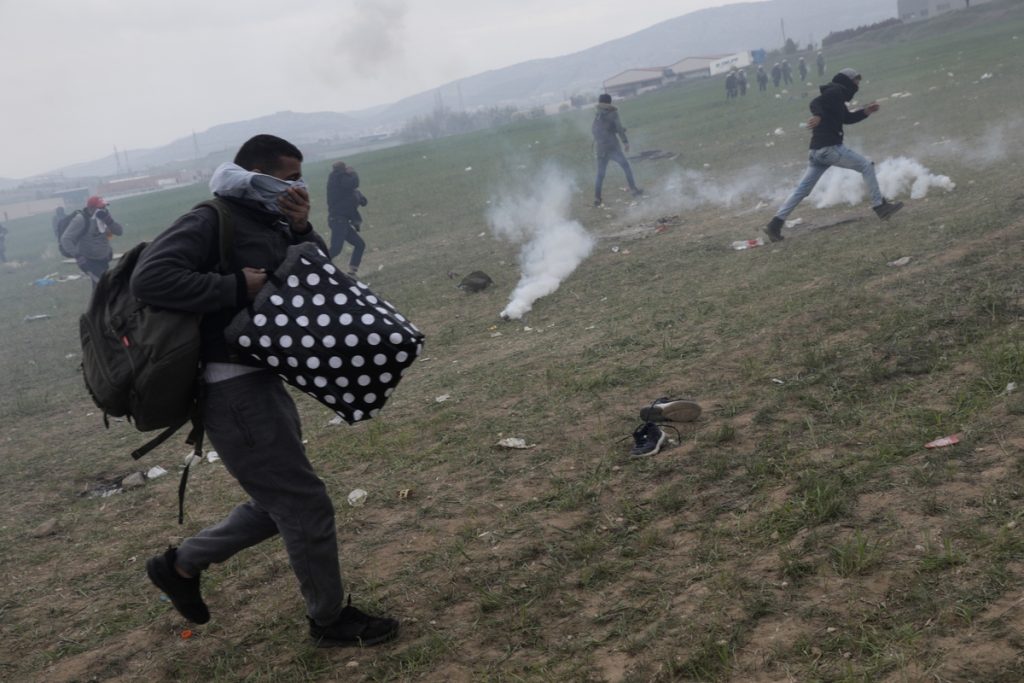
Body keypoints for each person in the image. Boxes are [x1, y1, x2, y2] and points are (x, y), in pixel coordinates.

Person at [131, 134, 399, 648]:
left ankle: (180, 566)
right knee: (303, 503)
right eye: (290, 177)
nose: (298, 186)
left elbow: (316, 274)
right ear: (257, 175)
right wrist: (236, 286)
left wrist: (300, 226)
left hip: (262, 376)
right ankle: (328, 621)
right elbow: (152, 278)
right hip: (230, 386)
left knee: (282, 499)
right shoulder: (210, 218)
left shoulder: (268, 219)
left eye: (301, 177)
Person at [764, 69, 903, 242]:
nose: (857, 86)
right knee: (866, 166)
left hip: (816, 152)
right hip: (829, 148)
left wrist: (866, 111)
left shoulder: (837, 97)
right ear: (848, 81)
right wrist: (818, 115)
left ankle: (774, 225)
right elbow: (816, 102)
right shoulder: (835, 91)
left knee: (802, 190)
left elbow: (847, 118)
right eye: (856, 83)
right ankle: (880, 207)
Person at [59, 196, 124, 287]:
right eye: (100, 207)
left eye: (104, 207)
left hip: (103, 258)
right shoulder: (81, 219)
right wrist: (77, 256)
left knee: (101, 287)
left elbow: (119, 232)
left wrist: (109, 221)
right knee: (103, 285)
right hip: (88, 260)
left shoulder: (105, 216)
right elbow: (65, 239)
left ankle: (99, 301)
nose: (103, 209)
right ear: (92, 208)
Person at [592, 93, 643, 206]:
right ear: (609, 102)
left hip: (601, 148)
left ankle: (597, 198)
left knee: (600, 174)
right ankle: (633, 189)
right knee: (626, 167)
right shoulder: (613, 113)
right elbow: (618, 128)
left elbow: (598, 130)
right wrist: (625, 142)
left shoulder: (598, 114)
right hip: (612, 147)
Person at [325, 161, 367, 277]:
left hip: (340, 220)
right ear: (343, 169)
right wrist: (353, 173)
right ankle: (318, 266)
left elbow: (356, 195)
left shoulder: (336, 181)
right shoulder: (339, 178)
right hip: (338, 220)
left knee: (360, 244)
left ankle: (352, 271)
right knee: (336, 249)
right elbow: (353, 183)